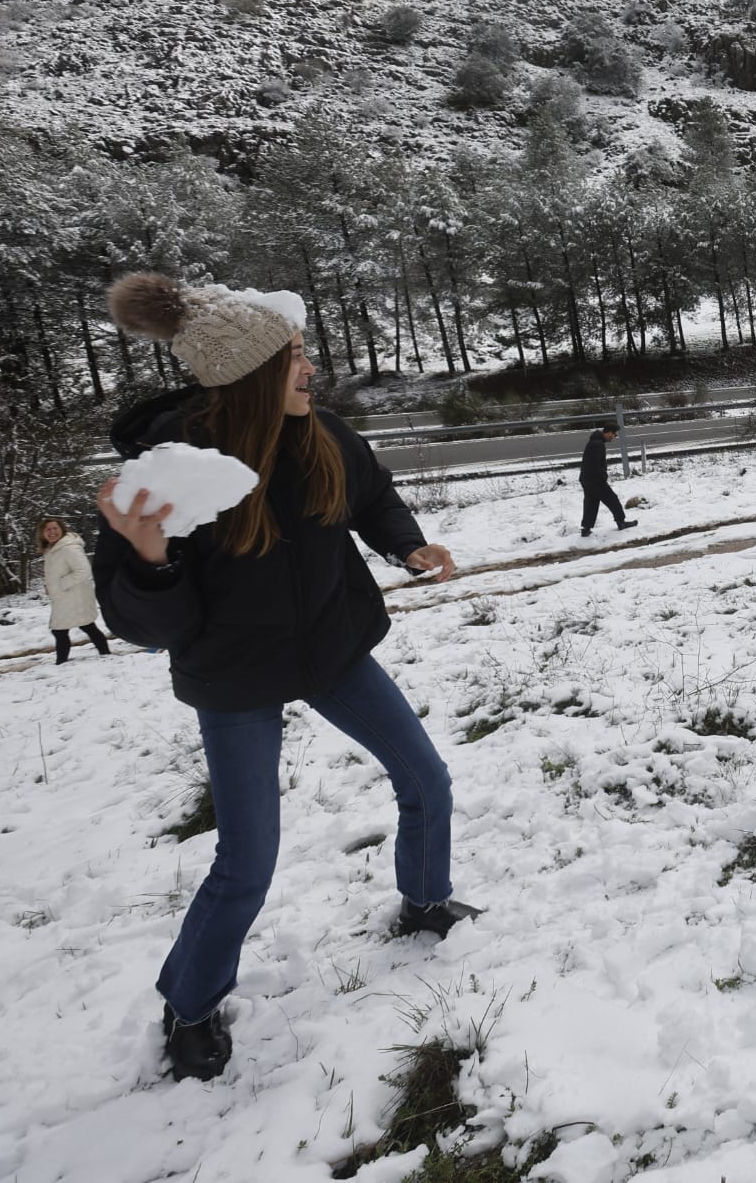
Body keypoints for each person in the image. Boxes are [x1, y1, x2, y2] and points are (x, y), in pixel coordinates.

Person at [94, 273, 478, 1084]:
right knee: (248, 859)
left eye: (304, 352)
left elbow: (373, 496)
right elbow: (139, 623)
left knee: (427, 778)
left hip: (331, 649)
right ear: (250, 377)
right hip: (237, 677)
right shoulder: (175, 474)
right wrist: (151, 559)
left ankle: (425, 899)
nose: (312, 369)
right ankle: (192, 1004)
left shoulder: (321, 433)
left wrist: (405, 544)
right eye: (295, 357)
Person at [37, 517, 111, 663]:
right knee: (87, 626)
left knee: (60, 630)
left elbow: (84, 570)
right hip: (67, 596)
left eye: (55, 528)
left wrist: (60, 584)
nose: (52, 532)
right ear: (42, 533)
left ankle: (61, 663)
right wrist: (50, 586)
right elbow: (60, 572)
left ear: (62, 530)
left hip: (73, 596)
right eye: (48, 529)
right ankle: (106, 654)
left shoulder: (68, 548)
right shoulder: (52, 549)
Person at [579, 422, 637, 537]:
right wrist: (603, 475)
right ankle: (621, 522)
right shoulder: (598, 444)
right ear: (609, 432)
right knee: (613, 500)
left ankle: (586, 529)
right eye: (614, 434)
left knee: (591, 503)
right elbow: (593, 464)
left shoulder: (594, 441)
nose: (614, 437)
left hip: (586, 479)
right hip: (595, 480)